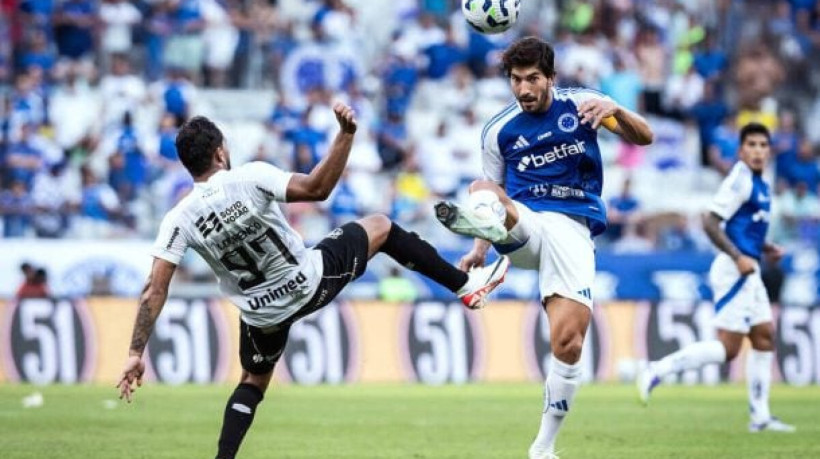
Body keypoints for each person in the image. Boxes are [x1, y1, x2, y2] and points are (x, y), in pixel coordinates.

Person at [116, 103, 510, 459]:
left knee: (253, 381)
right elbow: (317, 188)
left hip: (261, 316)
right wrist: (345, 135)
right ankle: (464, 284)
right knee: (381, 227)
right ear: (220, 152)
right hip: (309, 282)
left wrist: (136, 352)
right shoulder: (249, 176)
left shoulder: (178, 218)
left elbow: (155, 288)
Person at [433, 36, 653, 459]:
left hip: (573, 228)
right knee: (483, 191)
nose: (524, 89)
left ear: (551, 77)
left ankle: (543, 447)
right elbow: (494, 186)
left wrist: (616, 109)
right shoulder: (498, 131)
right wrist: (478, 250)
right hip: (525, 222)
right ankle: (496, 249)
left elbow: (644, 138)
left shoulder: (584, 105)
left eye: (533, 78)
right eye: (516, 80)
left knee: (568, 344)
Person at [637, 123, 796, 433]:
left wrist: (764, 248)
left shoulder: (761, 183)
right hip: (734, 269)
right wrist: (739, 257)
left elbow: (742, 229)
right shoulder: (740, 178)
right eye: (751, 144)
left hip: (749, 268)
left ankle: (760, 417)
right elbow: (710, 222)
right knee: (729, 348)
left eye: (763, 145)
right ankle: (657, 369)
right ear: (741, 150)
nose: (758, 150)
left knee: (764, 336)